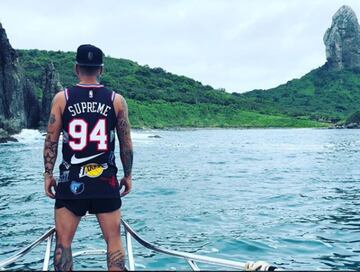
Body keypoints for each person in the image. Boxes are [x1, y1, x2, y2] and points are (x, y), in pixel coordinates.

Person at [43, 44, 133, 271]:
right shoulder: (117, 100)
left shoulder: (62, 99)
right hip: (106, 182)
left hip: (70, 181)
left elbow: (51, 140)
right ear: (101, 70)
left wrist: (47, 175)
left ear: (76, 68)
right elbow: (126, 143)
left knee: (64, 243)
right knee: (113, 241)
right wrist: (128, 175)